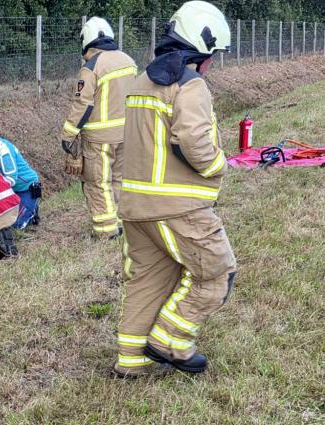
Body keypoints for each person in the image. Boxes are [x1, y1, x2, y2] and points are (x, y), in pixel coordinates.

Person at [114, 1, 236, 377]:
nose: (211, 63)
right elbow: (195, 144)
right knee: (217, 273)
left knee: (149, 280)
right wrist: (220, 166)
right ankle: (170, 341)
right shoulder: (191, 85)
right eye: (212, 54)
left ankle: (129, 361)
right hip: (178, 206)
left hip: (134, 205)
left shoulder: (140, 83)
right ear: (199, 50)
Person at [59, 17, 137, 238]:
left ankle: (106, 231)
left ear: (87, 42)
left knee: (97, 183)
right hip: (127, 133)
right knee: (118, 179)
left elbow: (83, 104)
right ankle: (120, 223)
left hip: (100, 138)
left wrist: (68, 135)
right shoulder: (128, 61)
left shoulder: (91, 67)